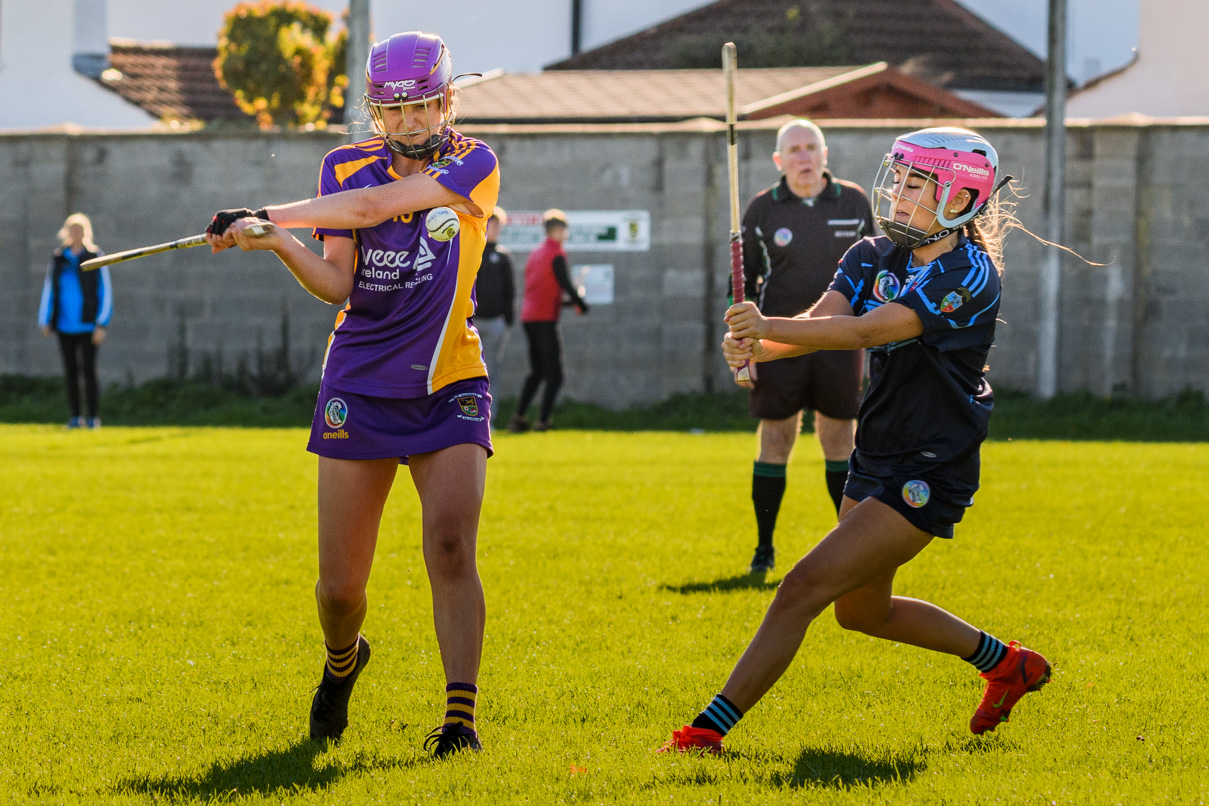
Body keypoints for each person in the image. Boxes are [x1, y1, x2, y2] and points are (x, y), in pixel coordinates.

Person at [661, 127, 1051, 755]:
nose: (899, 193)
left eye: (917, 184)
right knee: (861, 612)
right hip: (878, 454)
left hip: (933, 465)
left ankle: (705, 733)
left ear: (958, 198)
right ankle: (1007, 664)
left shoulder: (970, 274)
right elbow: (822, 321)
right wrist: (758, 344)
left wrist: (768, 328)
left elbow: (868, 331)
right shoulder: (873, 254)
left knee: (801, 588)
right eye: (898, 179)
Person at [203, 31, 497, 757]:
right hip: (359, 385)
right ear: (375, 112)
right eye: (393, 111)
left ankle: (459, 721)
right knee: (338, 591)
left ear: (445, 101)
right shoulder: (341, 165)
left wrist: (268, 211)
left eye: (422, 106)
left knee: (453, 547)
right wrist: (275, 242)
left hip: (448, 384)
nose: (408, 123)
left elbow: (369, 210)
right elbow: (337, 282)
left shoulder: (475, 164)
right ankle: (342, 665)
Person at [739, 119, 874, 574]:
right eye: (794, 150)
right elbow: (742, 284)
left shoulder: (854, 202)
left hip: (840, 339)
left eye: (811, 147)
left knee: (839, 438)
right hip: (778, 340)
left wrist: (878, 338)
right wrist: (744, 343)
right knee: (776, 438)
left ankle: (850, 550)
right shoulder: (762, 209)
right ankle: (763, 551)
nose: (804, 157)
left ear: (825, 154)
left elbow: (878, 278)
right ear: (779, 161)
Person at [508, 209, 588, 433]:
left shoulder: (536, 253)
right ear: (557, 229)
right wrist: (582, 304)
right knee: (555, 375)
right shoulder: (556, 254)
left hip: (529, 318)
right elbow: (566, 284)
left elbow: (543, 289)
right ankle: (543, 422)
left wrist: (570, 303)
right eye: (565, 229)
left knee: (537, 372)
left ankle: (519, 418)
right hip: (544, 319)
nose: (566, 233)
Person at [38, 213, 112, 429]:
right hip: (64, 324)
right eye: (72, 230)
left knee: (88, 371)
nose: (76, 233)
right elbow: (49, 289)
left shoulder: (95, 255)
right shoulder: (59, 258)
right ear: (67, 232)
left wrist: (102, 323)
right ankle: (75, 417)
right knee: (71, 373)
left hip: (88, 324)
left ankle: (93, 417)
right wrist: (45, 319)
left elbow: (104, 291)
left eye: (79, 230)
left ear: (85, 232)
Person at [473, 207, 515, 426]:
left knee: (491, 372)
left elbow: (510, 291)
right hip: (473, 323)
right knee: (471, 373)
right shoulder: (473, 250)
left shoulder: (503, 255)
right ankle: (471, 417)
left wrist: (507, 319)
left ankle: (490, 419)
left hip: (496, 322)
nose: (495, 229)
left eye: (499, 225)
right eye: (492, 224)